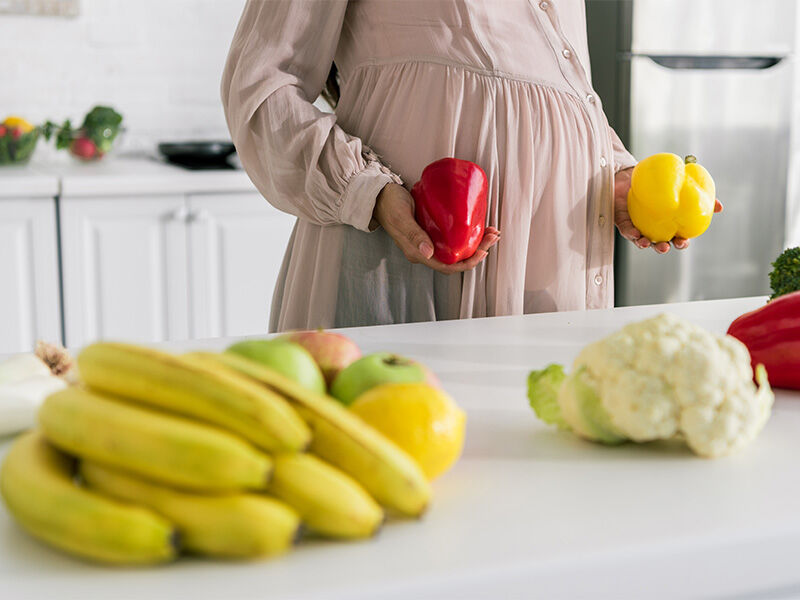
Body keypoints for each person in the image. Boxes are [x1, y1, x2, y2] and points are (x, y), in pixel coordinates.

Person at [221, 0, 715, 332]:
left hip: (550, 265)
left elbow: (559, 89)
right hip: (398, 259)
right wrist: (364, 189)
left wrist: (613, 171)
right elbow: (261, 85)